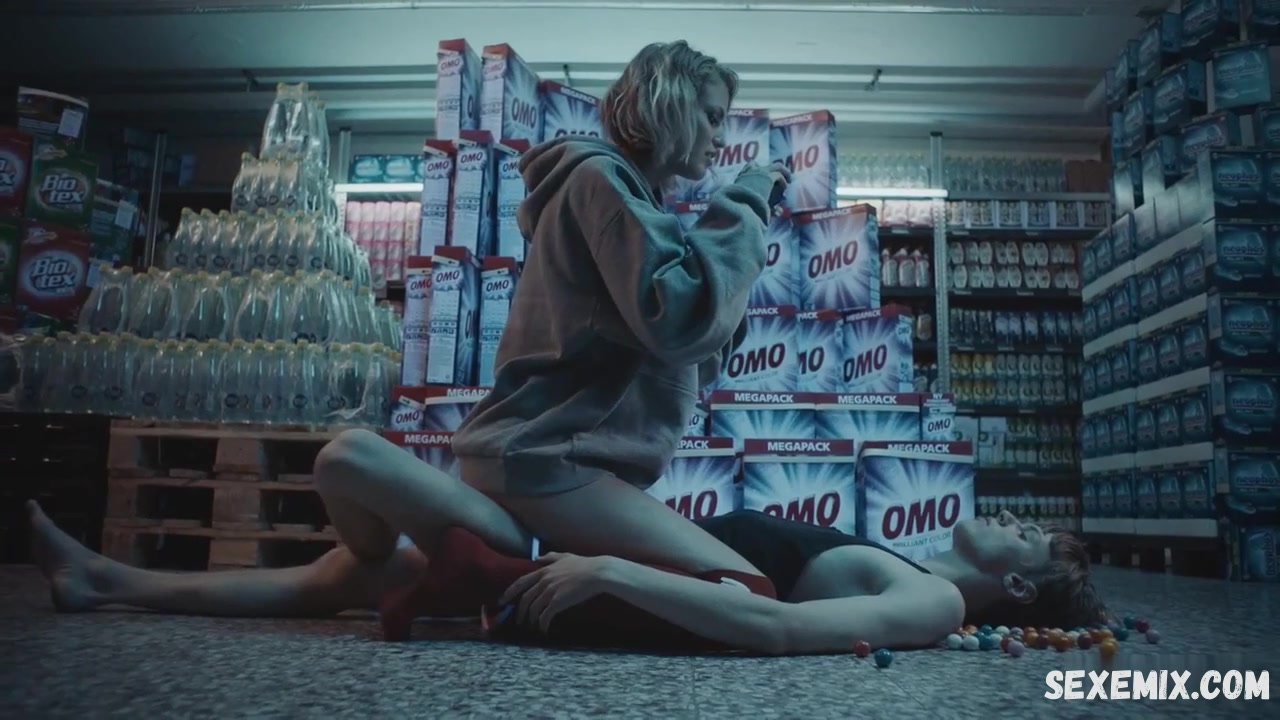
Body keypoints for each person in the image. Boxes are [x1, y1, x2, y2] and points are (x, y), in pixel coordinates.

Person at [313, 39, 792, 596]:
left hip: (550, 462)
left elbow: (691, 355)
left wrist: (729, 272)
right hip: (553, 464)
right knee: (743, 588)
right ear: (670, 105)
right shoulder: (602, 182)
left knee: (348, 581)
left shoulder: (635, 203)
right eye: (712, 117)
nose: (722, 137)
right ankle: (493, 569)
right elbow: (679, 322)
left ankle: (465, 565)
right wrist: (745, 205)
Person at [25, 486, 1108, 654]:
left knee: (361, 517)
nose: (1007, 517)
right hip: (595, 571)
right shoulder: (907, 563)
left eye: (1026, 534)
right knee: (339, 580)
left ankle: (111, 583)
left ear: (1018, 589)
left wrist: (605, 572)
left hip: (597, 591)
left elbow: (778, 630)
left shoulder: (928, 602)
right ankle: (108, 583)